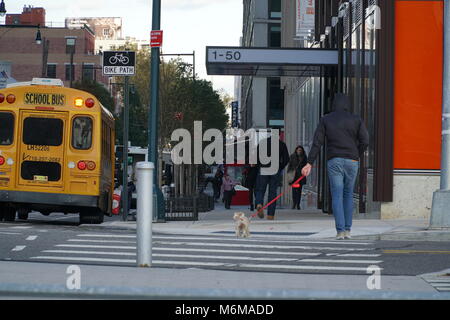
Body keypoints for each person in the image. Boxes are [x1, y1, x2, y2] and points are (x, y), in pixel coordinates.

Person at [301, 93, 369, 240]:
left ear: (333, 104)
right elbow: (365, 140)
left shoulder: (326, 119)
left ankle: (340, 231)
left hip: (335, 160)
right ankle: (348, 230)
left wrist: (309, 163)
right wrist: (356, 154)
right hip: (352, 161)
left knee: (337, 195)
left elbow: (317, 142)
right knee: (348, 194)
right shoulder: (356, 119)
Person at [254, 135, 290, 220]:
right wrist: (280, 167)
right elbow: (286, 159)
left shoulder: (262, 143)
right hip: (275, 169)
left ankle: (259, 203)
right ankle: (270, 215)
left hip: (263, 169)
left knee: (260, 189)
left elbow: (256, 156)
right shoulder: (281, 144)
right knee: (272, 192)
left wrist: (260, 166)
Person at [287, 145, 308, 210]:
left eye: (300, 150)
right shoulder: (292, 156)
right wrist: (289, 174)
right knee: (294, 191)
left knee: (299, 191)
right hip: (294, 176)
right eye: (298, 150)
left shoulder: (304, 157)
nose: (299, 151)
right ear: (296, 150)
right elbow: (290, 166)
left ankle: (298, 204)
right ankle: (294, 203)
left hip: (300, 176)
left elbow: (306, 166)